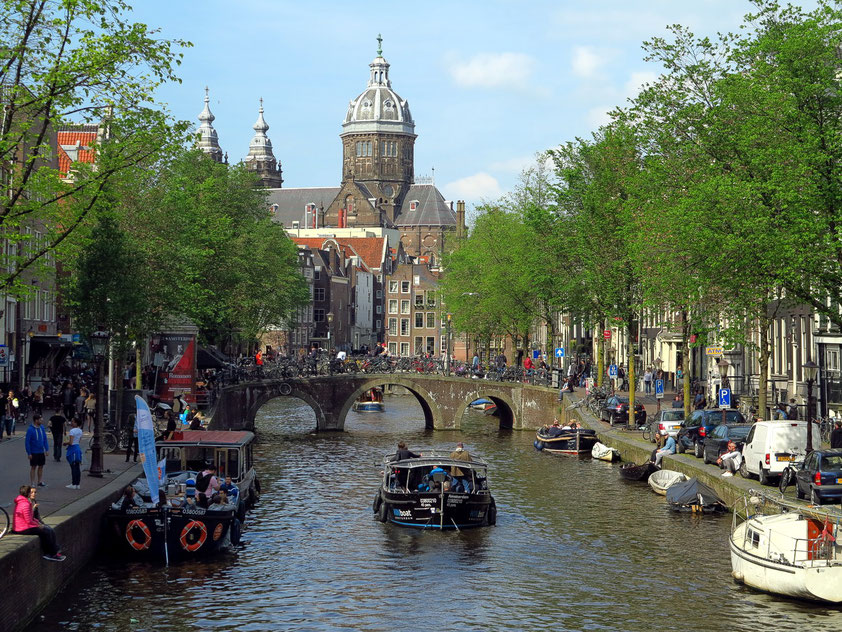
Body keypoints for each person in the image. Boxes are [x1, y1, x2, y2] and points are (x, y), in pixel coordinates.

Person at [13, 485, 65, 561]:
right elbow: (28, 520)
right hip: (22, 528)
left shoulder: (23, 502)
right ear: (27, 493)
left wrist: (38, 523)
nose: (32, 494)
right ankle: (49, 554)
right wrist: (38, 525)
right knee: (45, 532)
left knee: (48, 529)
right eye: (30, 492)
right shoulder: (25, 504)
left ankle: (54, 551)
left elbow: (31, 518)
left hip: (24, 526)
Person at [25, 414, 49, 488]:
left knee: (41, 466)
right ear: (36, 420)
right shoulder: (30, 429)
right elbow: (27, 442)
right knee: (33, 467)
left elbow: (45, 439)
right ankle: (32, 482)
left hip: (41, 451)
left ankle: (40, 481)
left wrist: (46, 449)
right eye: (40, 419)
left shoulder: (41, 428)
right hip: (34, 452)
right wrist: (29, 453)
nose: (42, 421)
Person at [64, 417, 83, 489]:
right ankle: (77, 484)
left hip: (73, 449)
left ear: (76, 423)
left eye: (72, 421)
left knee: (73, 467)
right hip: (77, 448)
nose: (71, 423)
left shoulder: (72, 431)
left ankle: (73, 483)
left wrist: (65, 443)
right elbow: (79, 440)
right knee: (77, 467)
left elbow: (71, 442)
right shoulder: (80, 431)